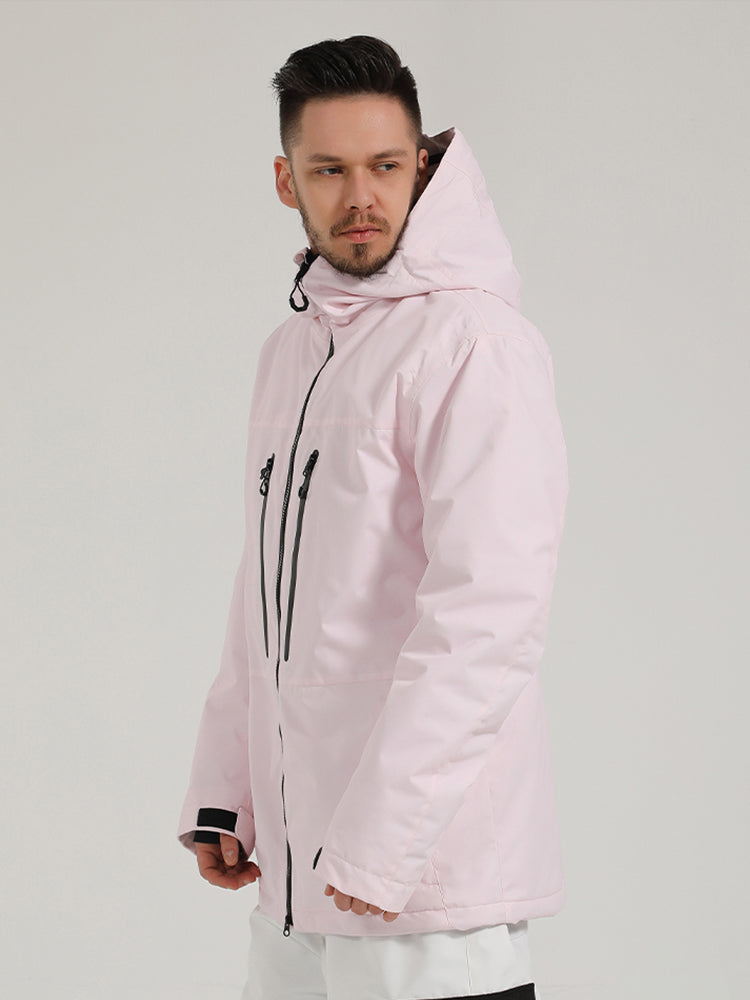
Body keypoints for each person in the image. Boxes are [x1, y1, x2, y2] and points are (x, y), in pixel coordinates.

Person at [177, 35, 569, 1000]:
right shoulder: (294, 351)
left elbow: (489, 611)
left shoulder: (475, 342)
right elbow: (266, 590)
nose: (362, 197)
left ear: (424, 168)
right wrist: (227, 787)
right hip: (300, 881)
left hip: (425, 892)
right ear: (286, 181)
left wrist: (387, 837)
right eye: (330, 170)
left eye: (386, 166)